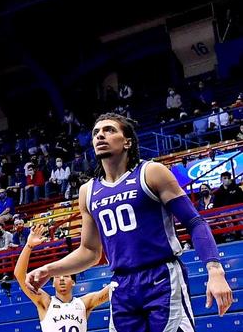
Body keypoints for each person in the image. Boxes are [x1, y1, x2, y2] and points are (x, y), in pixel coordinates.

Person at [26, 114, 234, 332]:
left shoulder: (151, 172)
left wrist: (215, 270)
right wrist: (49, 269)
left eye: (109, 130)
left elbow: (194, 221)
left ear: (128, 141)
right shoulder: (88, 191)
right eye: (96, 133)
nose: (100, 136)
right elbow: (89, 251)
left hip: (162, 276)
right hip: (122, 284)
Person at [13, 222, 110, 332]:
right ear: (53, 283)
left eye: (66, 276)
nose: (62, 279)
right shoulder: (45, 302)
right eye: (57, 277)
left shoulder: (84, 303)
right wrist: (29, 245)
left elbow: (113, 288)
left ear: (73, 282)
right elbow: (19, 276)